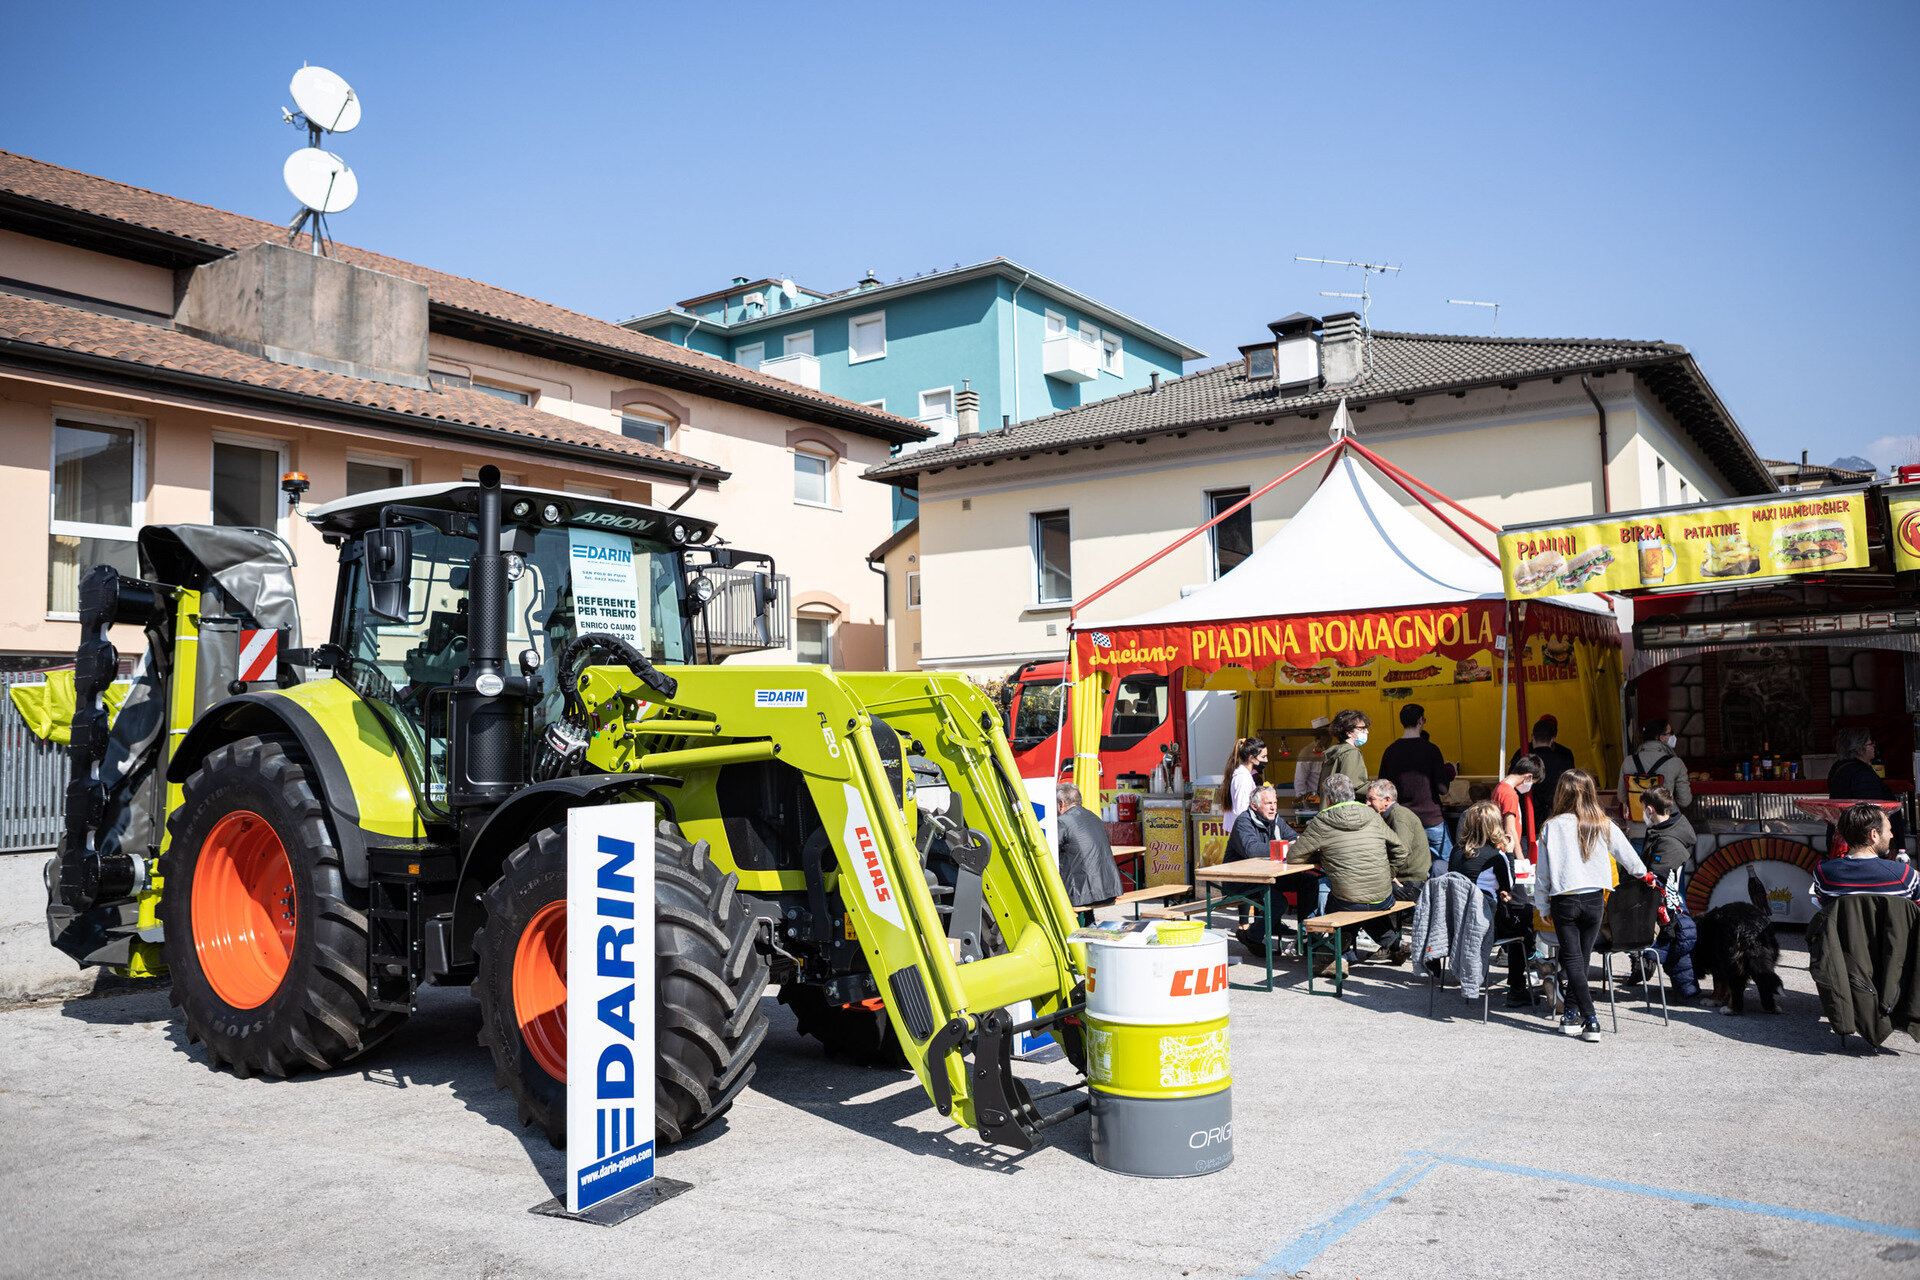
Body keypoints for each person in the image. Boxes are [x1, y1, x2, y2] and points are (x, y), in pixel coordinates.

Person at [1534, 769, 1650, 1042]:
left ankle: (1590, 1018)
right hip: (1596, 897)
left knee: (1574, 960)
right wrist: (1646, 876)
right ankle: (1571, 1013)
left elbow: (1543, 874)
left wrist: (1542, 905)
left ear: (1561, 792)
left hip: (1565, 897)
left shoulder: (1552, 826)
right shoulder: (1603, 822)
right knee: (1581, 960)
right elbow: (1630, 860)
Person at [1288, 773, 1410, 967]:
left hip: (1349, 901)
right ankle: (1395, 944)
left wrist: (1323, 857)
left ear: (1328, 799)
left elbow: (1294, 856)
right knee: (1364, 904)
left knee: (1339, 903)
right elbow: (1401, 850)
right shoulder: (1372, 814)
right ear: (1352, 794)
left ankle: (1338, 956)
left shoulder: (1322, 820)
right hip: (1383, 896)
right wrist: (1388, 873)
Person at [1449, 799, 1531, 1007]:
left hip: (1458, 922)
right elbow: (1510, 886)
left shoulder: (1455, 852)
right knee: (1526, 920)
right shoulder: (1496, 856)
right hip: (1486, 925)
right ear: (1495, 826)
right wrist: (1510, 852)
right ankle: (1517, 987)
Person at [1637, 787, 1702, 1002]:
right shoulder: (1667, 830)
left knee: (1673, 941)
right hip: (1670, 905)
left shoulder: (1668, 840)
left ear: (1649, 809)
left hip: (1664, 905)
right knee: (1677, 943)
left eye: (1643, 810)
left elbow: (1656, 880)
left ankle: (1649, 964)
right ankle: (1686, 990)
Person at [1378, 703, 1457, 872]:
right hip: (1431, 819)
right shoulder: (1431, 750)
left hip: (1402, 821)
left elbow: (1382, 787)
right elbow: (1443, 789)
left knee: (1406, 868)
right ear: (1421, 721)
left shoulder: (1390, 751)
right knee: (1449, 865)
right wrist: (1449, 772)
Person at [1227, 784, 1301, 956]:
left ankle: (1311, 937)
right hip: (1241, 880)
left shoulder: (1275, 820)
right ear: (1254, 806)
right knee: (1278, 902)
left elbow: (1292, 837)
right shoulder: (1243, 821)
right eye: (1268, 803)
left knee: (1310, 883)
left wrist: (1298, 842)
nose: (1273, 807)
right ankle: (1251, 937)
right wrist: (1284, 846)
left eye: (1275, 802)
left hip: (1268, 876)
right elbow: (1251, 850)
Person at [1810, 803, 1920, 909]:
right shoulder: (1905, 876)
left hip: (1845, 928)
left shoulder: (1823, 873)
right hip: (1893, 928)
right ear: (1874, 835)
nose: (1891, 835)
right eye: (1889, 830)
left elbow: (1824, 907)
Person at [1056, 782, 1124, 925]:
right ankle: (1089, 924)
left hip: (1083, 895)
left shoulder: (1063, 822)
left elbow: (1050, 849)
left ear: (1061, 803)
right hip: (1109, 889)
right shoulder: (1095, 817)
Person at [1829, 728, 1906, 849]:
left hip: (1843, 839)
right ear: (1859, 749)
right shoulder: (1861, 773)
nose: (1874, 746)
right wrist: (1888, 844)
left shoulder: (1839, 768)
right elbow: (1871, 812)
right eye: (1870, 744)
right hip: (1864, 844)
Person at [1509, 715, 1575, 843]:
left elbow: (1512, 779)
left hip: (1527, 814)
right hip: (1556, 813)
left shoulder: (1522, 754)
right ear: (1553, 739)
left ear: (1533, 736)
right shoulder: (1564, 756)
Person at [1364, 778, 1430, 899]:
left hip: (1410, 882)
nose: (1367, 803)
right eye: (1367, 799)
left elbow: (1402, 851)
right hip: (1405, 877)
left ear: (1387, 800)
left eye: (1371, 799)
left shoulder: (1399, 817)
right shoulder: (1388, 815)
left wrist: (1387, 875)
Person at [1617, 718, 1691, 816]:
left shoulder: (1628, 761)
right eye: (1670, 733)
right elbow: (1684, 801)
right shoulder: (1675, 763)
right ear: (1661, 737)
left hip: (1636, 825)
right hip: (1665, 825)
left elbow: (1622, 797)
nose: (1673, 736)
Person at [1493, 755, 1544, 861]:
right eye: (1532, 783)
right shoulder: (1509, 794)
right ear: (1528, 777)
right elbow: (1510, 828)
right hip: (1507, 850)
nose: (1530, 786)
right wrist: (1520, 858)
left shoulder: (1500, 787)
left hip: (1499, 847)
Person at [1319, 709, 1371, 797]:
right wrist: (1377, 788)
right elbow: (1354, 786)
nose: (1367, 732)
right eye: (1362, 728)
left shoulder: (1334, 751)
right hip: (1345, 809)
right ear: (1349, 732)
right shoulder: (1351, 752)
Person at [1217, 736, 1268, 820]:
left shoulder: (1242, 774)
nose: (1266, 760)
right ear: (1251, 758)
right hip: (1243, 830)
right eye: (1263, 757)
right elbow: (1242, 811)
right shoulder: (1243, 778)